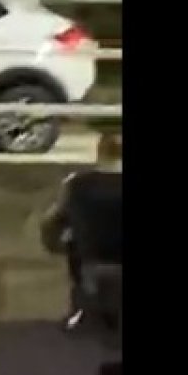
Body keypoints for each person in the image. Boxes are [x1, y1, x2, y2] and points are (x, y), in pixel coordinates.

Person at [40, 132, 123, 331]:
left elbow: (51, 222)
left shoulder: (76, 184)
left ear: (99, 152)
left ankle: (81, 314)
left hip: (89, 265)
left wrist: (55, 245)